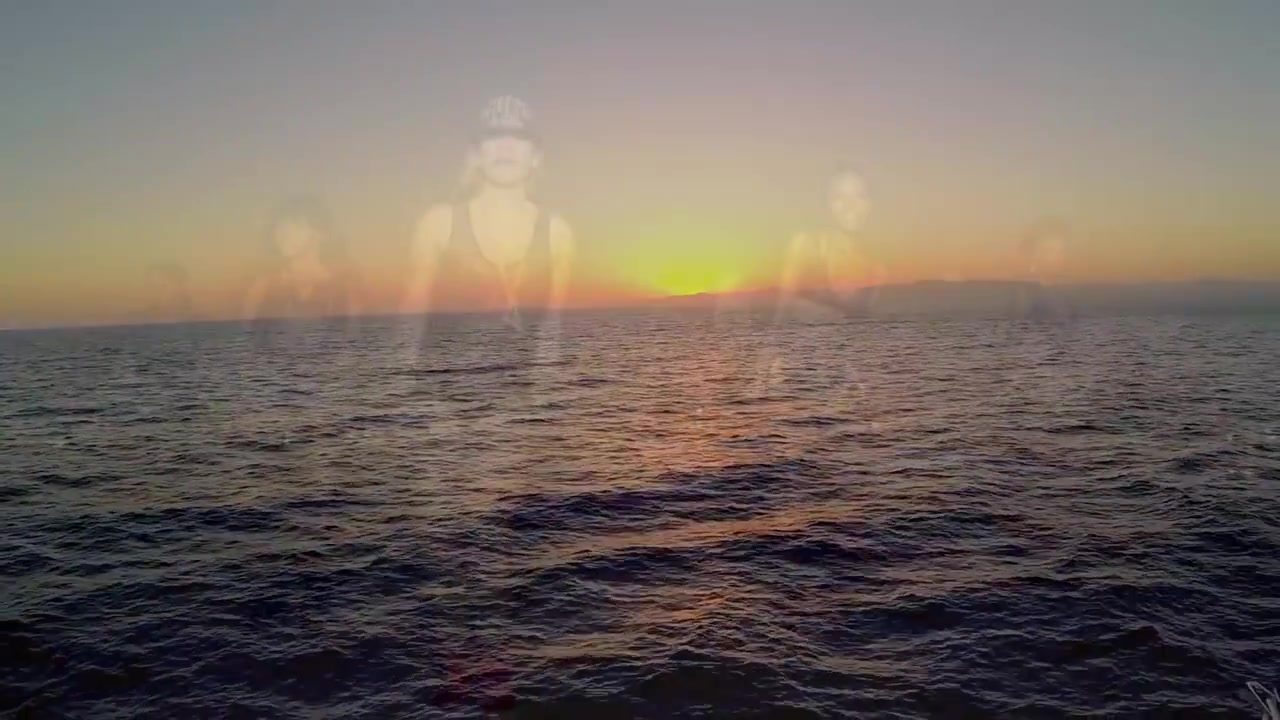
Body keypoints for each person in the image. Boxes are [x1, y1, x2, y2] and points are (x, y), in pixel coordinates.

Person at [401, 95, 574, 378]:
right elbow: (410, 320)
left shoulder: (558, 232)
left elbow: (552, 332)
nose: (506, 146)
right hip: (448, 388)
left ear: (536, 156)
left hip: (527, 391)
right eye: (494, 136)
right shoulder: (438, 224)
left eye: (518, 136)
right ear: (476, 155)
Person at [243, 197, 361, 325]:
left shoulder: (344, 287)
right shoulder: (263, 287)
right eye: (280, 227)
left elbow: (351, 332)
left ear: (320, 233)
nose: (284, 234)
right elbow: (249, 332)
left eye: (296, 226)